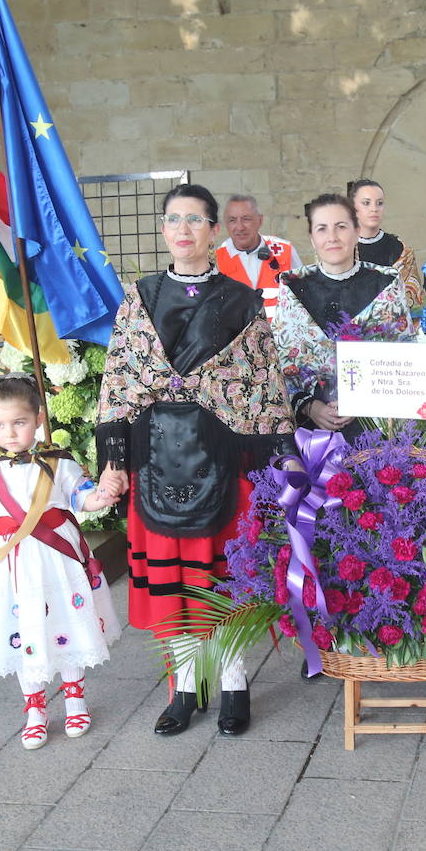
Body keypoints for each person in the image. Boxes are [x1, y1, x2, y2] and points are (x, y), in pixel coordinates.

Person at [96, 183, 296, 737]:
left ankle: (233, 681)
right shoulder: (139, 298)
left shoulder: (241, 300)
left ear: (213, 230)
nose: (183, 229)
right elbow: (120, 382)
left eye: (195, 220)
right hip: (155, 459)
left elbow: (265, 386)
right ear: (164, 230)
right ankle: (186, 686)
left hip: (223, 458)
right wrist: (114, 464)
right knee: (174, 585)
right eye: (173, 219)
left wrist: (281, 463)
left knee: (221, 580)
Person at [0, 376, 124, 750]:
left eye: (19, 422)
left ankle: (75, 697)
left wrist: (105, 495)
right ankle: (35, 709)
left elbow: (83, 499)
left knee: (64, 621)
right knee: (21, 628)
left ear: (38, 419)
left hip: (55, 559)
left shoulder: (59, 463)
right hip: (9, 564)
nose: (10, 433)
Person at [273, 192, 414, 442]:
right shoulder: (292, 287)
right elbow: (281, 365)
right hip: (310, 430)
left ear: (357, 230)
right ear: (312, 238)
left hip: (376, 427)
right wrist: (310, 406)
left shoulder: (387, 283)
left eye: (341, 227)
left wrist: (361, 400)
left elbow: (404, 361)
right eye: (322, 229)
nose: (332, 237)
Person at [214, 194, 303, 319]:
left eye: (246, 219)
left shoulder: (284, 250)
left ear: (260, 220)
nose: (239, 227)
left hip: (282, 335)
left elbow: (305, 298)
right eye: (232, 220)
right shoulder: (216, 259)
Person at [347, 178, 426, 311]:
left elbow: (413, 303)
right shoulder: (341, 249)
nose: (374, 209)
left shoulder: (399, 249)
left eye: (379, 203)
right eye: (366, 203)